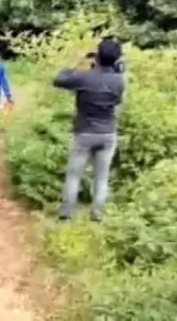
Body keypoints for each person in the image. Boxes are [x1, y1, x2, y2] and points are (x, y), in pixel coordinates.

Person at [54, 37, 125, 222]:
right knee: (101, 178)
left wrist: (78, 59)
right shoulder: (119, 80)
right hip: (108, 133)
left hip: (84, 132)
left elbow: (58, 79)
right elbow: (117, 101)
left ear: (98, 55)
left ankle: (66, 215)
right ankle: (97, 215)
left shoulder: (84, 77)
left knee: (74, 175)